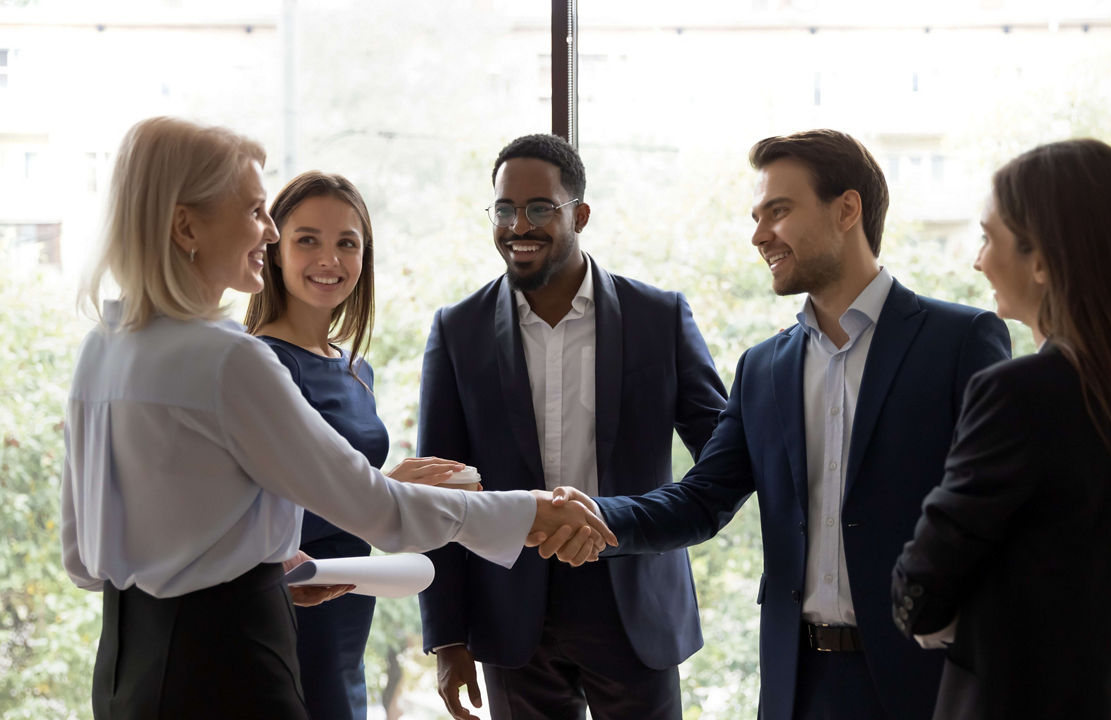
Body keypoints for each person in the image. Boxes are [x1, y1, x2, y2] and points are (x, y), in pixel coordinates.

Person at [60, 116, 614, 720]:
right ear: (187, 225)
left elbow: (82, 557)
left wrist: (273, 567)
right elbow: (380, 508)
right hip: (233, 662)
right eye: (253, 212)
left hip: (124, 669)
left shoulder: (105, 346)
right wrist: (534, 509)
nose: (268, 230)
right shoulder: (230, 359)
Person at [543, 129, 1011, 720]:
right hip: (799, 685)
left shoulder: (961, 342)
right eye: (757, 216)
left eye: (779, 211)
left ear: (847, 209)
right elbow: (700, 500)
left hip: (931, 682)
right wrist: (597, 514)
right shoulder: (762, 368)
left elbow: (1003, 514)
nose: (760, 235)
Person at [889, 138, 1111, 719]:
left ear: (1041, 260)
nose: (978, 259)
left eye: (989, 237)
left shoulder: (1019, 394)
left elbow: (915, 596)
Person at [417, 133, 728, 720]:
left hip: (634, 599)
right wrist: (447, 637)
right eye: (504, 209)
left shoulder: (659, 318)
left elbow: (724, 458)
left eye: (540, 208)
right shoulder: (458, 330)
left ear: (579, 214)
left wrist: (648, 520)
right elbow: (440, 491)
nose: (518, 226)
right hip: (510, 614)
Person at [244, 170, 452, 720]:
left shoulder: (357, 368)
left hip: (345, 612)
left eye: (347, 243)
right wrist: (384, 493)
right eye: (307, 239)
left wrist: (403, 497)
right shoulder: (258, 363)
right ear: (273, 250)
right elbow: (253, 512)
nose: (329, 259)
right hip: (284, 608)